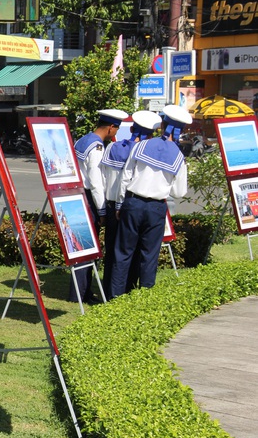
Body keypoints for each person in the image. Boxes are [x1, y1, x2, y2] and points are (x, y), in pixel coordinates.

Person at [110, 105, 191, 298]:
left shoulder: (141, 146)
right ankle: (146, 299)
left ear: (161, 125)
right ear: (182, 130)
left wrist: (120, 204)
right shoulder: (179, 157)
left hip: (133, 203)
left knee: (123, 253)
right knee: (149, 255)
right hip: (156, 207)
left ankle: (115, 299)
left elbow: (126, 177)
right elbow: (179, 192)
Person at [100, 110, 162, 299]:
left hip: (112, 205)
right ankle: (131, 290)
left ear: (132, 128)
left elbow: (103, 176)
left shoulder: (113, 148)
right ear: (151, 135)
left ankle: (110, 293)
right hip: (132, 205)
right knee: (136, 253)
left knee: (114, 253)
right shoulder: (148, 152)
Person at [69, 108, 128, 304]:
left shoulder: (83, 140)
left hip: (78, 195)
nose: (116, 134)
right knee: (87, 247)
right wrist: (102, 211)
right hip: (89, 199)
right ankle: (82, 293)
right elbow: (95, 182)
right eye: (116, 129)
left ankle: (77, 291)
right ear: (111, 127)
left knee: (80, 245)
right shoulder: (96, 147)